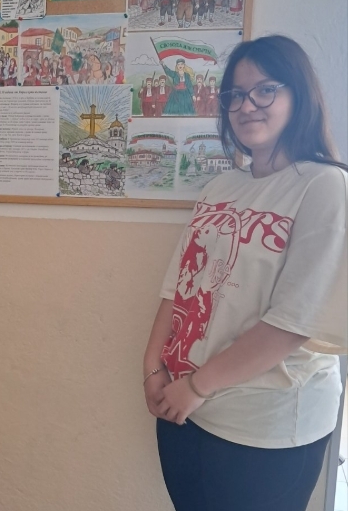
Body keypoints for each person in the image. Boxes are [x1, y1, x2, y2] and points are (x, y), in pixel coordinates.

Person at [143, 35, 347, 511]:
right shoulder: (220, 186)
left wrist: (197, 387)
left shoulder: (325, 185)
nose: (246, 105)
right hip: (184, 409)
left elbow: (294, 322)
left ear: (299, 95)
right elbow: (179, 286)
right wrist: (152, 366)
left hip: (266, 427)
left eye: (265, 90)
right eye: (235, 95)